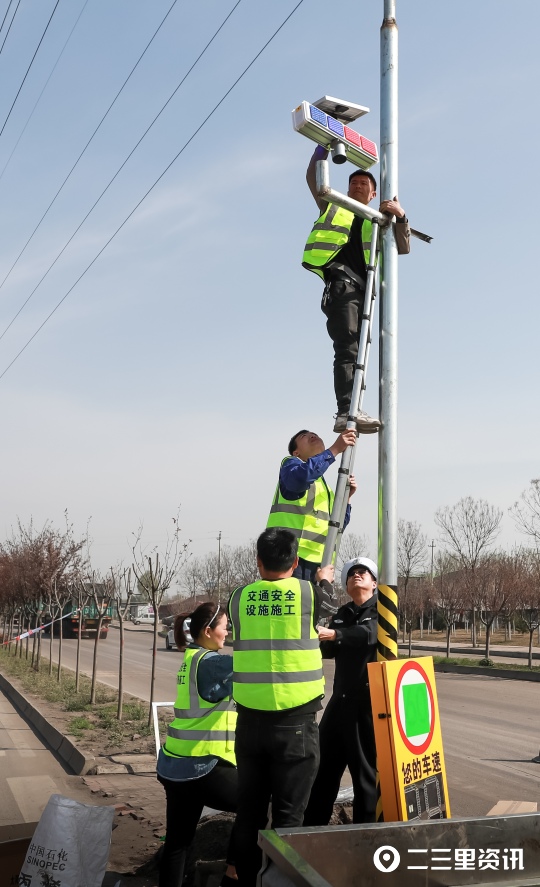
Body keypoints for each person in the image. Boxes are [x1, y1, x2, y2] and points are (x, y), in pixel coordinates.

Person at [228, 528, 335, 887]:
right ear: (295, 562)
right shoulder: (309, 594)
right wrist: (324, 579)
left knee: (250, 814)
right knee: (289, 818)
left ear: (257, 562)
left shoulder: (238, 598)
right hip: (295, 726)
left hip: (249, 725)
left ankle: (246, 880)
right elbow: (330, 606)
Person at [303, 145, 411, 432]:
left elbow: (403, 247)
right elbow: (314, 179)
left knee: (359, 349)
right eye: (353, 183)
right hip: (341, 285)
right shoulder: (334, 205)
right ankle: (345, 411)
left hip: (363, 293)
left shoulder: (378, 221)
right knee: (349, 347)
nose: (358, 185)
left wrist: (400, 216)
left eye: (364, 183)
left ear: (374, 193)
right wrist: (322, 147)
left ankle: (352, 408)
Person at [157, 602, 238, 887]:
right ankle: (232, 873)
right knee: (257, 804)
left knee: (177, 843)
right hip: (205, 766)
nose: (228, 633)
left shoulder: (191, 659)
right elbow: (256, 662)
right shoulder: (213, 663)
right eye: (225, 627)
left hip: (173, 765)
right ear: (207, 630)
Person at [303, 556, 378, 826]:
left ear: (374, 582)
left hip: (368, 706)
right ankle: (313, 830)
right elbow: (328, 649)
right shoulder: (343, 614)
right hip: (340, 702)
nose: (356, 576)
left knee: (364, 775)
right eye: (351, 574)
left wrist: (337, 635)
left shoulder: (382, 610)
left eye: (363, 572)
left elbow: (371, 634)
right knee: (322, 771)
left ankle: (365, 836)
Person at [267, 427, 357, 583]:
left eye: (315, 435)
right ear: (296, 453)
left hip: (319, 565)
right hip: (289, 557)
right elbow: (298, 480)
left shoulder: (324, 488)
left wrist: (347, 499)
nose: (312, 435)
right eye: (304, 436)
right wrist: (334, 449)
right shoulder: (291, 464)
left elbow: (338, 525)